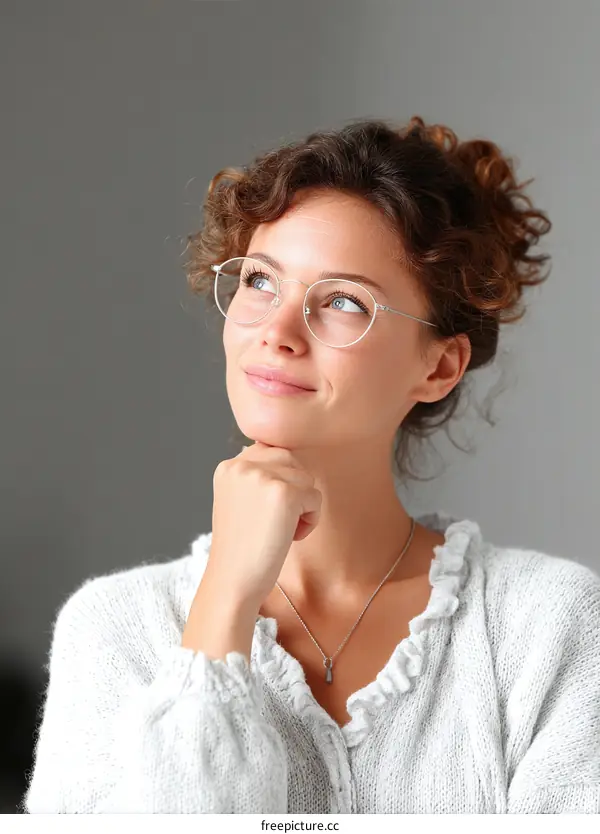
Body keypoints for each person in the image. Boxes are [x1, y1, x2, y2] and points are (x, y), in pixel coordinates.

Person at [24, 116, 600, 814]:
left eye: (343, 301)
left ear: (439, 366)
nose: (277, 331)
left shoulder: (548, 626)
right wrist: (225, 602)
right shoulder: (114, 630)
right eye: (261, 281)